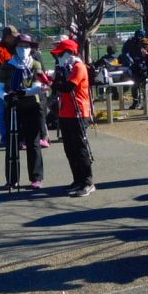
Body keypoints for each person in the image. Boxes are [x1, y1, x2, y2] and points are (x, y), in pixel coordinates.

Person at [0, 34, 49, 189]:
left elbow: (38, 85)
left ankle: (36, 178)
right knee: (12, 144)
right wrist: (6, 96)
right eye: (20, 46)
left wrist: (23, 93)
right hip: (13, 107)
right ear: (15, 48)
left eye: (26, 46)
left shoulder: (35, 64)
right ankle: (12, 179)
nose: (24, 49)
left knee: (33, 143)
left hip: (32, 106)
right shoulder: (8, 65)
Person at [51, 38, 95, 197]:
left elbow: (68, 87)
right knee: (70, 149)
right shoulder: (64, 68)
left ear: (69, 53)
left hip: (79, 113)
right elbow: (58, 85)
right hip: (65, 112)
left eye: (61, 54)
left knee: (80, 149)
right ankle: (77, 180)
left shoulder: (78, 67)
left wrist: (51, 83)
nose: (58, 57)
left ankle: (87, 182)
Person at [0, 26, 17, 139]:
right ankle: (5, 136)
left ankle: (15, 134)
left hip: (14, 82)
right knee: (3, 110)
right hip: (2, 83)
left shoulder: (14, 47)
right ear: (7, 37)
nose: (15, 39)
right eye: (13, 37)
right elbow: (3, 67)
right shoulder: (0, 50)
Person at [121, 30, 147, 109]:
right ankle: (136, 102)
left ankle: (144, 104)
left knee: (144, 85)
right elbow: (124, 51)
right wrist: (130, 59)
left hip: (143, 66)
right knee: (135, 85)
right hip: (134, 66)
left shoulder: (144, 42)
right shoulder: (130, 41)